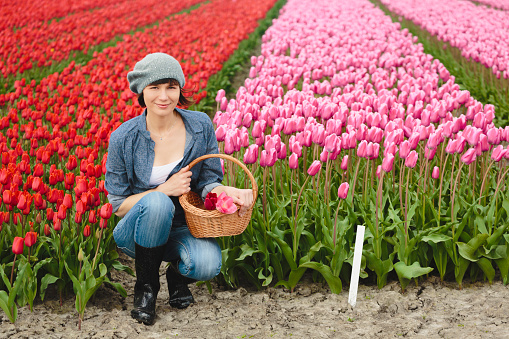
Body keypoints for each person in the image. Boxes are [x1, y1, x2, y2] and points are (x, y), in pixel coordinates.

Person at [105, 52, 254, 325]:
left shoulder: (199, 125)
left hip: (183, 225)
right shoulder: (123, 138)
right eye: (155, 88)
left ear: (179, 89)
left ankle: (176, 276)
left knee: (208, 264)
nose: (164, 96)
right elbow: (118, 206)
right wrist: (164, 189)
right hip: (135, 232)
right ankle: (146, 290)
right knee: (158, 203)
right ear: (141, 91)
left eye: (171, 87)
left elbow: (209, 179)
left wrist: (225, 192)